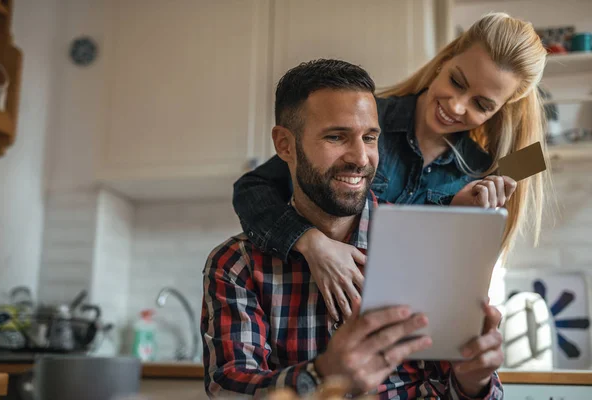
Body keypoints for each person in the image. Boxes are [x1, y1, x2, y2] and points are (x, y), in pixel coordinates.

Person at [202, 59, 504, 399]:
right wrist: (322, 375)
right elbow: (227, 389)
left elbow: (449, 388)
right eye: (336, 136)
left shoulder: (427, 249)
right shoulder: (236, 264)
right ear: (285, 145)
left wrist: (472, 383)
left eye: (371, 138)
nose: (361, 158)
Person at [232, 12, 552, 321]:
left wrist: (455, 217)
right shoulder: (363, 123)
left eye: (481, 105)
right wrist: (311, 241)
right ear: (444, 61)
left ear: (499, 110)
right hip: (306, 317)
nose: (456, 105)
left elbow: (436, 278)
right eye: (456, 81)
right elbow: (251, 189)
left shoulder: (481, 172)